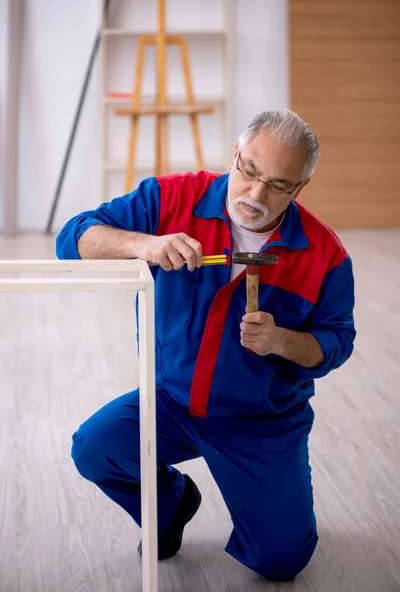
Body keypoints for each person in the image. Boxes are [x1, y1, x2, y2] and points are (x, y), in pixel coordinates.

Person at [56, 109, 356, 581]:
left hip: (262, 421)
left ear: (300, 188)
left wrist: (282, 340)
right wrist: (144, 245)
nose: (256, 194)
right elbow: (72, 238)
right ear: (235, 154)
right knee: (95, 447)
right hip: (170, 403)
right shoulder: (172, 197)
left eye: (278, 185)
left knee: (281, 561)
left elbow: (337, 342)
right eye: (250, 171)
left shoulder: (325, 255)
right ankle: (171, 504)